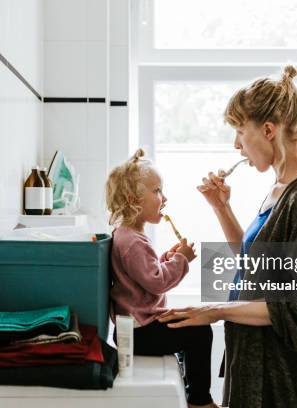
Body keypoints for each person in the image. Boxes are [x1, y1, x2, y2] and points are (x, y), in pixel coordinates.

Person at [158, 65, 297, 407]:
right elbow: (255, 265)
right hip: (257, 361)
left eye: (240, 132)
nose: (236, 145)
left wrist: (215, 310)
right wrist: (221, 208)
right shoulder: (279, 189)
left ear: (269, 130)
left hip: (288, 381)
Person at [105, 148, 219, 408]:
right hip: (141, 332)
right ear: (134, 199)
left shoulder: (128, 236)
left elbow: (144, 273)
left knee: (193, 325)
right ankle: (199, 400)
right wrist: (181, 261)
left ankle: (192, 390)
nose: (164, 197)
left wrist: (167, 258)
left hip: (138, 329)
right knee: (200, 332)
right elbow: (156, 281)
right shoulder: (132, 241)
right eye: (156, 191)